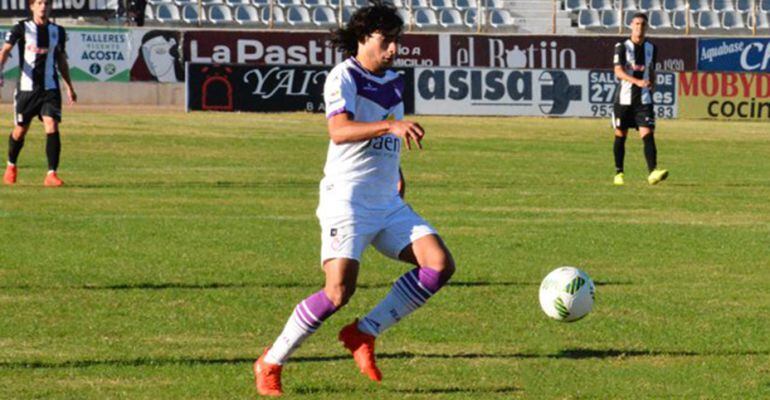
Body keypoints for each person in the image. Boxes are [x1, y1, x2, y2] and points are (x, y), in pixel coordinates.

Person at [253, 3, 455, 397]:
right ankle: (270, 362)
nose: (394, 49)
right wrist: (391, 124)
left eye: (397, 41)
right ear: (364, 37)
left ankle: (364, 332)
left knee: (439, 264)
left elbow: (385, 140)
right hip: (346, 200)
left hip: (387, 200)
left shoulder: (394, 80)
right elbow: (339, 131)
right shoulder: (342, 76)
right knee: (338, 292)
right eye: (386, 41)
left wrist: (396, 171)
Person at [1, 0, 77, 187]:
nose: (43, 7)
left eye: (46, 3)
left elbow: (61, 59)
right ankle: (11, 165)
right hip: (27, 90)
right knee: (20, 131)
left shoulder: (58, 31)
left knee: (52, 125)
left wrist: (69, 86)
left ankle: (51, 174)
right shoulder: (21, 28)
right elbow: (5, 51)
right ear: (32, 6)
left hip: (50, 89)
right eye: (39, 3)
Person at [611, 12, 667, 186]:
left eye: (643, 24)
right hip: (624, 99)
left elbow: (651, 70)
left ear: (647, 27)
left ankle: (653, 172)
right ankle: (619, 172)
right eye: (636, 24)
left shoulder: (652, 47)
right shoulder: (621, 47)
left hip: (643, 99)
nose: (639, 27)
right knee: (620, 134)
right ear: (631, 26)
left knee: (648, 133)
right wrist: (637, 81)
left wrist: (652, 85)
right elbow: (618, 72)